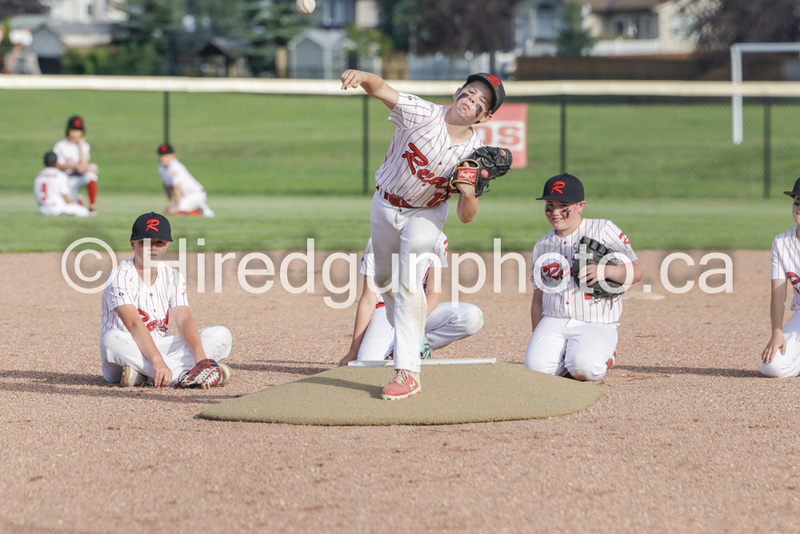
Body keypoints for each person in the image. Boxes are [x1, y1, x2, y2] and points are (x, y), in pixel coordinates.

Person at [340, 69, 504, 400]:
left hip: (426, 214)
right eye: (470, 93)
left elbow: (466, 216)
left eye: (480, 102)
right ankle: (411, 341)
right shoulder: (423, 113)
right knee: (386, 283)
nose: (472, 100)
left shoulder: (472, 155)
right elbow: (382, 88)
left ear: (484, 117)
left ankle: (408, 372)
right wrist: (361, 76)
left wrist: (469, 192)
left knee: (408, 282)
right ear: (458, 92)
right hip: (384, 204)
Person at [525, 173, 643, 381]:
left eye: (564, 206)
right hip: (554, 319)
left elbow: (637, 271)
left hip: (595, 320)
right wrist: (538, 339)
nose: (555, 212)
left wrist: (606, 271)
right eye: (550, 205)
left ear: (581, 205)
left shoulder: (603, 229)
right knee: (537, 372)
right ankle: (563, 356)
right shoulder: (542, 245)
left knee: (585, 369)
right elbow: (537, 299)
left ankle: (604, 354)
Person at [100, 212, 232, 388]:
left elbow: (184, 319)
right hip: (128, 349)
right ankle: (184, 375)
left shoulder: (173, 276)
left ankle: (145, 375)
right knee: (111, 340)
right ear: (133, 244)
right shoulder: (119, 276)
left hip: (160, 347)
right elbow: (133, 324)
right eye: (145, 242)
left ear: (167, 244)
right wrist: (157, 360)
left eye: (159, 242)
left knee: (221, 334)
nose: (152, 247)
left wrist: (200, 357)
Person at [338, 233, 484, 366]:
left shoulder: (437, 238)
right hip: (387, 312)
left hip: (420, 309)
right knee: (367, 363)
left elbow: (433, 292)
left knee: (471, 318)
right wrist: (353, 351)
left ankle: (411, 346)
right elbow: (368, 300)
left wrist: (414, 323)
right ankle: (399, 348)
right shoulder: (377, 242)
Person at [761, 178, 800, 377]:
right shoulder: (782, 242)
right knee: (772, 367)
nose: (799, 207)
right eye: (797, 201)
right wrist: (777, 332)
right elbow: (778, 294)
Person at [53, 116, 99, 214]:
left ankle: (92, 206)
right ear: (68, 131)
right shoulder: (60, 145)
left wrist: (81, 145)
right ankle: (79, 201)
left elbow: (83, 165)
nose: (75, 134)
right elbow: (57, 165)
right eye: (73, 130)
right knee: (69, 207)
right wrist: (75, 166)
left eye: (79, 131)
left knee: (91, 176)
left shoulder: (85, 146)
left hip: (79, 177)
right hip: (65, 179)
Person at [157, 143, 215, 218]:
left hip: (196, 194)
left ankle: (200, 210)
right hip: (185, 196)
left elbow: (176, 187)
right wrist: (170, 202)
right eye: (161, 155)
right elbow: (166, 186)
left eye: (166, 155)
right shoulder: (160, 167)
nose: (163, 158)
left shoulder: (175, 166)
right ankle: (196, 207)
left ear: (173, 155)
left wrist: (177, 206)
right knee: (168, 211)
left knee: (178, 210)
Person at [33, 151, 90, 218]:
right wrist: (77, 202)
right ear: (57, 162)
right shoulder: (60, 175)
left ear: (43, 163)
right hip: (57, 208)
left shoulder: (39, 175)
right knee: (84, 211)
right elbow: (67, 200)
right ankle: (66, 214)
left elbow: (38, 197)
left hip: (42, 209)